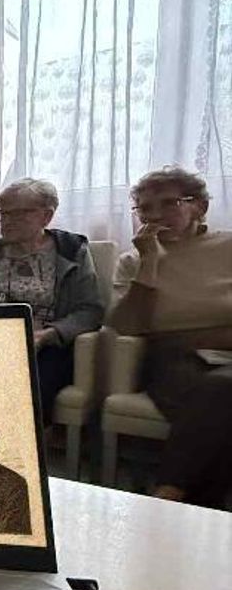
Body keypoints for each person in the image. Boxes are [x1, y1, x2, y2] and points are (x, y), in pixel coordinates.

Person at [109, 167, 232, 507]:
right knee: (222, 392)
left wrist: (212, 336)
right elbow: (126, 325)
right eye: (147, 208)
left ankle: (167, 500)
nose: (157, 215)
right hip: (172, 358)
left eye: (170, 203)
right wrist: (150, 262)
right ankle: (174, 503)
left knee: (221, 395)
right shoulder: (132, 259)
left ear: (200, 207)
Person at [0, 178, 103, 421]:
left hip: (42, 347)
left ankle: (18, 451)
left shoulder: (71, 251)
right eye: (3, 213)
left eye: (19, 213)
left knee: (23, 387)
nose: (8, 220)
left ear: (46, 216)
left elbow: (90, 311)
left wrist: (48, 335)